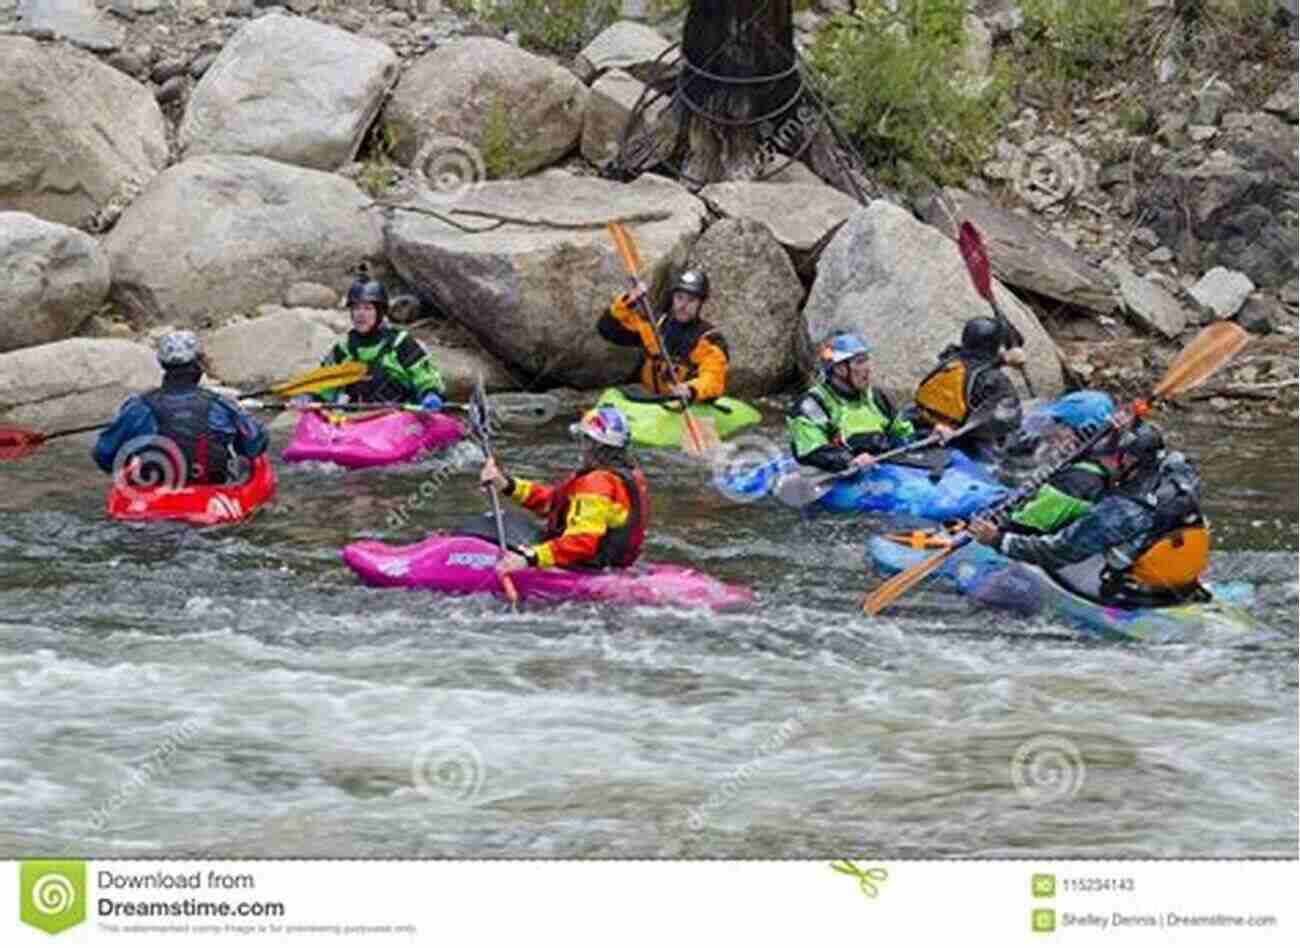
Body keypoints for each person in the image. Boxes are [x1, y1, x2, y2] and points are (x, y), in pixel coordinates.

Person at [968, 419, 1211, 607]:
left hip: (1130, 595)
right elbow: (1177, 459)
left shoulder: (1120, 510)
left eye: (1119, 455)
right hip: (1180, 584)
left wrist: (998, 539)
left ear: (1129, 460)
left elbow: (1055, 552)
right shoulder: (1181, 476)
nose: (1114, 460)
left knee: (1043, 552)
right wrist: (1128, 428)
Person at [479, 406, 650, 577]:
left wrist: (528, 558)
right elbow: (551, 503)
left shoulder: (596, 483)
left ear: (594, 445)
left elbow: (582, 542)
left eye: (584, 440)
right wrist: (505, 484)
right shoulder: (625, 476)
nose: (581, 446)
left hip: (587, 568)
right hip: (610, 565)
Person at [93, 331, 268, 485]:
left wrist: (128, 466)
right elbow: (256, 442)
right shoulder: (221, 404)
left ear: (163, 365)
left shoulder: (138, 406)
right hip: (210, 490)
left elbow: (103, 453)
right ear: (198, 366)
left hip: (154, 493)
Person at [313, 267, 445, 408]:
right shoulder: (343, 349)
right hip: (356, 420)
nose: (360, 314)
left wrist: (430, 393)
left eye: (368, 308)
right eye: (356, 308)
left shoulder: (400, 343)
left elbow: (425, 376)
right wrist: (311, 396)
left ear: (380, 313)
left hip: (399, 418)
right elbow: (323, 384)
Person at [787, 333, 919, 473]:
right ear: (840, 369)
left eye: (867, 359)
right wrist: (848, 460)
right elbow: (812, 450)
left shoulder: (876, 397)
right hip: (839, 478)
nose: (868, 368)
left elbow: (903, 434)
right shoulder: (812, 405)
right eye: (859, 361)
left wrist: (929, 434)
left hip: (880, 472)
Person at [596, 267, 729, 404]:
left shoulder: (709, 339)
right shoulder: (655, 324)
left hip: (682, 405)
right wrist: (629, 300)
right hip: (647, 398)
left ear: (700, 304)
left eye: (691, 300)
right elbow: (607, 328)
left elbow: (713, 378)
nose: (683, 305)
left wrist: (690, 389)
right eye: (679, 298)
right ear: (672, 298)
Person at [1004, 391, 1114, 535]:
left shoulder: (1076, 481)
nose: (1053, 431)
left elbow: (1018, 528)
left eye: (1061, 424)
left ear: (1085, 432)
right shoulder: (1078, 460)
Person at [913, 317, 1023, 461]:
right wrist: (1002, 359)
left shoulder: (947, 360)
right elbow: (1009, 421)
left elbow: (973, 360)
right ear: (994, 346)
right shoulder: (995, 380)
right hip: (961, 440)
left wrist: (1001, 360)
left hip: (925, 426)